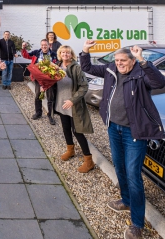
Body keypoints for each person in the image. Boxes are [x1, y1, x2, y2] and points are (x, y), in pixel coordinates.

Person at [80, 40, 165, 239]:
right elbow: (87, 67)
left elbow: (159, 83)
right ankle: (126, 200)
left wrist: (143, 60)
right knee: (119, 167)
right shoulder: (111, 69)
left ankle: (137, 224)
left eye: (123, 60)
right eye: (117, 60)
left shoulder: (140, 73)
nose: (119, 63)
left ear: (132, 61)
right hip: (113, 127)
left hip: (133, 132)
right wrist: (85, 50)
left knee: (133, 175)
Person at [55, 45, 94, 173]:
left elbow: (84, 86)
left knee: (77, 131)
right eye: (63, 52)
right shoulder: (57, 66)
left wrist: (72, 100)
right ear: (59, 54)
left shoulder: (76, 68)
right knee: (65, 128)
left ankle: (89, 160)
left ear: (71, 54)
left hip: (73, 104)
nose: (65, 54)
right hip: (61, 102)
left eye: (68, 52)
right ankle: (70, 150)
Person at [22, 39, 58, 125]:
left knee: (50, 98)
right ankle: (38, 113)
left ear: (49, 45)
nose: (44, 47)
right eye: (42, 45)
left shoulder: (53, 55)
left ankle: (50, 115)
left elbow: (57, 64)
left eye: (45, 45)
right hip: (38, 79)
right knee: (38, 96)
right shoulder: (36, 53)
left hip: (49, 79)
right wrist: (23, 48)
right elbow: (26, 55)